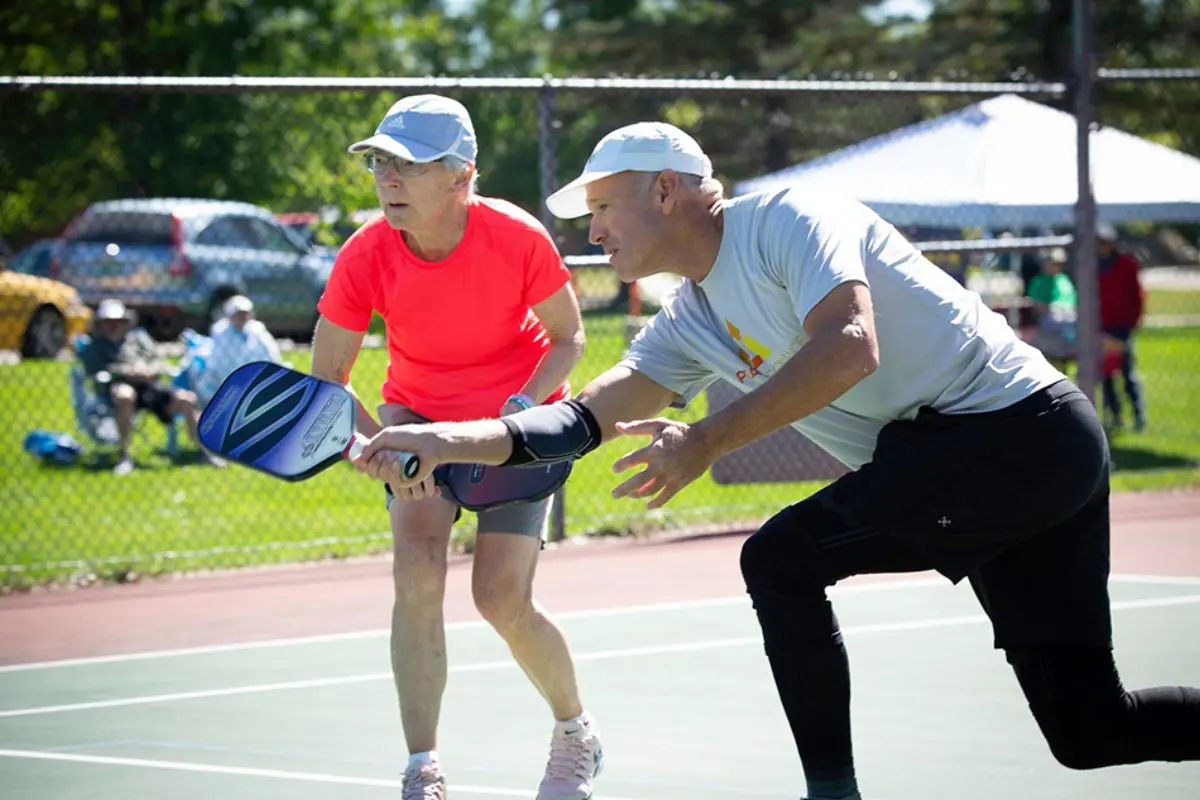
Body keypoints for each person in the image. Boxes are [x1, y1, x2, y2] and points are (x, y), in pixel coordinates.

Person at [353, 122, 1200, 800]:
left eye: (603, 208)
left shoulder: (792, 218)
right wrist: (448, 437)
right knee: (1091, 734)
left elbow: (849, 348)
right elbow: (578, 419)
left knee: (780, 559)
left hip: (1023, 434)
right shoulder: (686, 322)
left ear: (666, 190)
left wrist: (707, 440)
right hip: (980, 464)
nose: (594, 231)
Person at [310, 94, 598, 800]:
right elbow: (327, 380)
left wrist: (520, 414)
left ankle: (575, 735)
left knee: (498, 597)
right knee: (416, 565)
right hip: (415, 416)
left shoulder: (516, 236)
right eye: (380, 162)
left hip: (512, 424)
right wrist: (377, 447)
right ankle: (422, 769)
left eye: (407, 165)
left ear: (461, 175)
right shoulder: (365, 253)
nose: (387, 179)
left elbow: (569, 339)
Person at [80, 298, 219, 475]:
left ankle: (205, 452)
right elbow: (95, 370)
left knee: (187, 399)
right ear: (100, 324)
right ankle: (124, 455)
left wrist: (147, 370)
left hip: (149, 387)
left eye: (118, 321)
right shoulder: (94, 346)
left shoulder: (138, 339)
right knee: (125, 395)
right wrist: (127, 371)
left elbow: (158, 361)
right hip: (118, 387)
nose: (114, 326)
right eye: (109, 322)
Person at [1097, 223, 1147, 431]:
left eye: (1105, 242)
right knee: (1107, 373)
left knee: (1126, 371)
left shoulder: (1126, 264)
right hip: (1101, 326)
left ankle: (1138, 415)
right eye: (1099, 243)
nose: (1102, 246)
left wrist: (1132, 322)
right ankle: (1114, 415)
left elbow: (1137, 296)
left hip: (1121, 327)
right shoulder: (1091, 266)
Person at [194, 295, 282, 406]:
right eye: (239, 314)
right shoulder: (221, 333)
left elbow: (270, 355)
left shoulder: (258, 331)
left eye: (245, 313)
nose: (243, 317)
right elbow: (219, 363)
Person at [1024, 246, 1078, 367]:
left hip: (1067, 319)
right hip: (1048, 321)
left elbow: (1072, 303)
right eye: (1051, 263)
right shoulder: (1038, 281)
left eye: (1057, 263)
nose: (1054, 266)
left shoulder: (1064, 280)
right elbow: (1036, 304)